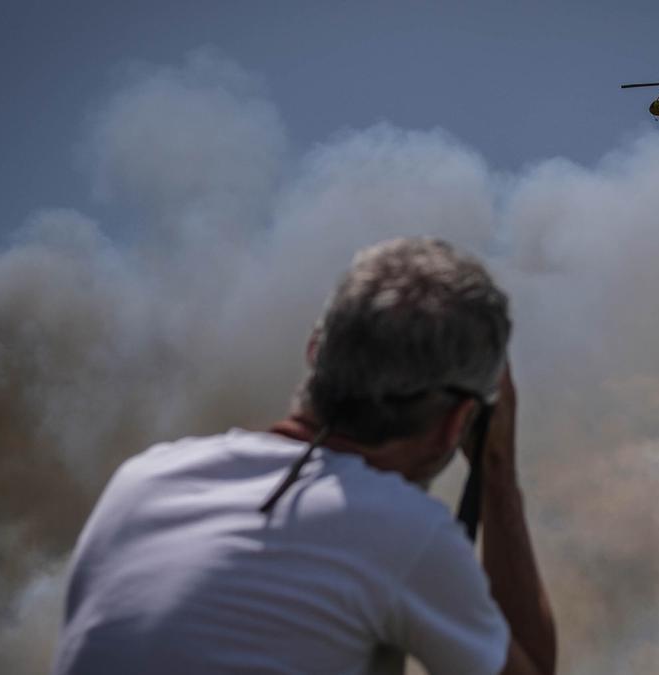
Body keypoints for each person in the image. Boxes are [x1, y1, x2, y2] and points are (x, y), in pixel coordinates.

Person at [52, 238, 556, 675]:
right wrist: (496, 474)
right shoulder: (402, 532)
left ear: (316, 351)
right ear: (456, 422)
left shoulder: (141, 481)